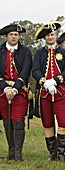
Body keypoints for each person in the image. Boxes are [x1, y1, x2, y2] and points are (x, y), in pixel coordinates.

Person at [32, 21, 65, 162]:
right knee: (47, 122)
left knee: (62, 121)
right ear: (45, 38)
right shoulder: (39, 53)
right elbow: (35, 70)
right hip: (44, 92)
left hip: (60, 91)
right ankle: (52, 153)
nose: (50, 37)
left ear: (56, 36)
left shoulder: (63, 52)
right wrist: (44, 82)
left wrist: (55, 81)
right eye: (48, 35)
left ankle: (61, 154)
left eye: (52, 35)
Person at [0, 24, 32, 161]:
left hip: (20, 90)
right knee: (7, 122)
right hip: (2, 91)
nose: (14, 37)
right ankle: (11, 152)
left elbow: (25, 72)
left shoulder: (25, 52)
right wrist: (5, 88)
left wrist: (15, 88)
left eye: (16, 34)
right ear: (7, 36)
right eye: (11, 34)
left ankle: (18, 154)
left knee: (18, 121)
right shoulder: (0, 51)